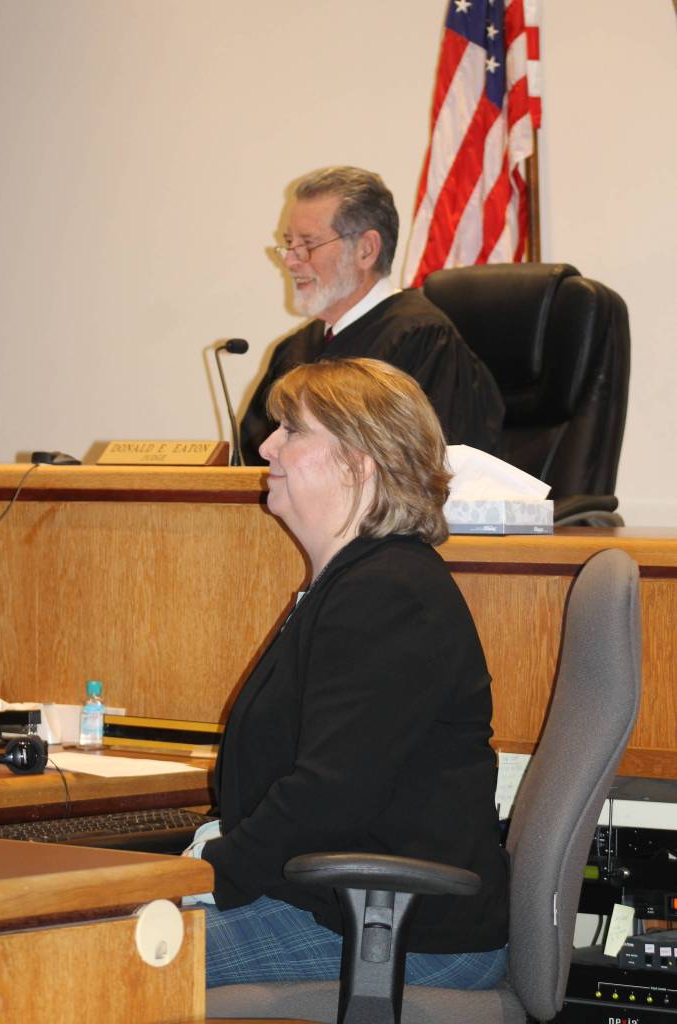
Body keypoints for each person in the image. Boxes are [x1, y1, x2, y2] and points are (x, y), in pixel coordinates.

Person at [186, 357, 509, 991]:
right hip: (330, 902)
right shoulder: (351, 583)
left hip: (399, 931)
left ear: (360, 461)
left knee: (89, 960)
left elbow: (328, 792)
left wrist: (211, 875)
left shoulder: (389, 594)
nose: (266, 444)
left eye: (292, 429)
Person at [240, 165, 504, 464]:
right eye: (289, 244)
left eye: (308, 244)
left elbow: (429, 471)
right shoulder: (294, 349)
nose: (290, 260)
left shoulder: (423, 340)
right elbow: (252, 461)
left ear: (366, 249)